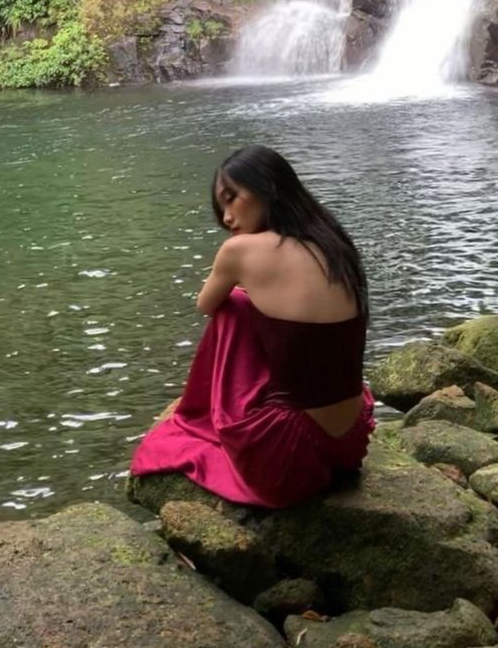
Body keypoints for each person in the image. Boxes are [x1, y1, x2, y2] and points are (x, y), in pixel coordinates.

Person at [130, 144, 375, 508]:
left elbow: (206, 304)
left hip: (287, 455)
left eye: (232, 199)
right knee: (252, 307)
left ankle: (203, 414)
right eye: (221, 207)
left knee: (233, 306)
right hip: (349, 442)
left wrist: (241, 280)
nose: (227, 216)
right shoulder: (334, 240)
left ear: (267, 188)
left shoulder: (240, 250)